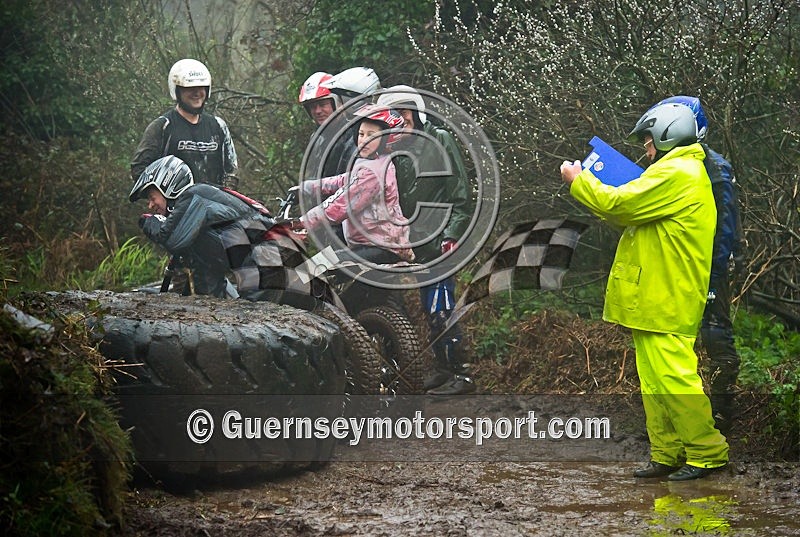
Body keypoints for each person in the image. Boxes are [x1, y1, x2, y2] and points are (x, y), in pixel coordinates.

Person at [560, 101, 729, 481]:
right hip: (655, 297)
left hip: (667, 297)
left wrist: (579, 180)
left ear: (670, 133)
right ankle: (667, 453)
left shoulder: (678, 172)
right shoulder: (676, 170)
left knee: (674, 379)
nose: (645, 148)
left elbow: (621, 205)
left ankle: (708, 453)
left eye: (649, 139)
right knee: (655, 382)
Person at [376, 85, 474, 396]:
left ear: (416, 114)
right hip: (416, 246)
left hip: (441, 241)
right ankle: (443, 368)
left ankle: (463, 373)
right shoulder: (395, 152)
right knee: (429, 309)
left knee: (441, 308)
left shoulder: (440, 139)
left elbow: (460, 192)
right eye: (392, 116)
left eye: (403, 114)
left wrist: (452, 234)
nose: (398, 121)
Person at [654, 95, 743, 432]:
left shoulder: (713, 168)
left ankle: (720, 418)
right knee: (681, 341)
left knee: (716, 335)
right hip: (686, 264)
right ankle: (686, 419)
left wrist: (714, 273)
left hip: (710, 265)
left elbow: (725, 228)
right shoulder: (678, 163)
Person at [130, 155, 305, 301]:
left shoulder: (195, 195)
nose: (151, 205)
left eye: (153, 197)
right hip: (270, 265)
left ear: (167, 186)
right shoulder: (198, 227)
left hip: (269, 262)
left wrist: (149, 222)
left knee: (253, 329)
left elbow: (171, 239)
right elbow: (207, 278)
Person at [295, 103, 413, 263]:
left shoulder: (372, 172)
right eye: (361, 134)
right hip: (372, 244)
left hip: (380, 248)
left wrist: (301, 222)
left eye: (371, 135)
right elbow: (344, 180)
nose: (364, 140)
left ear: (386, 138)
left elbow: (340, 204)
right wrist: (308, 187)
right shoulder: (375, 161)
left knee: (313, 268)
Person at [131, 59, 238, 188]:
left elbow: (231, 171)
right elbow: (139, 169)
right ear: (177, 90)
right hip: (176, 206)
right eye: (190, 88)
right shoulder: (163, 127)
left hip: (213, 205)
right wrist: (159, 195)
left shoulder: (218, 126)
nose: (197, 93)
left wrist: (226, 198)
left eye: (201, 87)